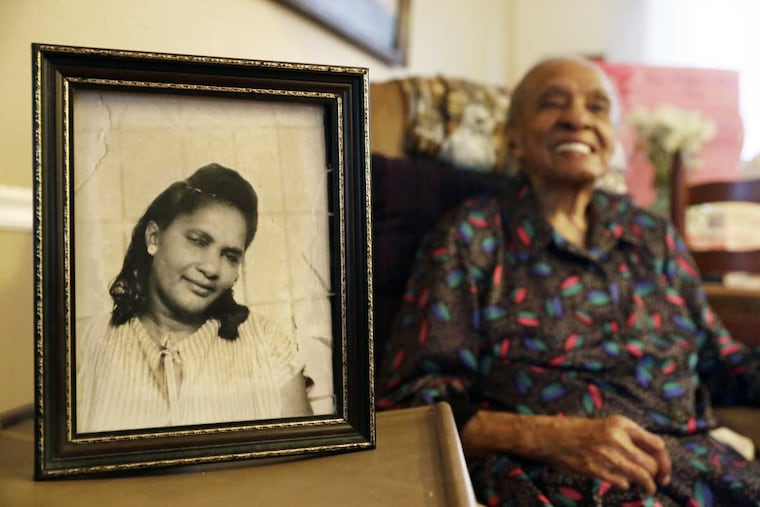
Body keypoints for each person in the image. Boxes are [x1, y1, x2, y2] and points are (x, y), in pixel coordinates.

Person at [377, 57, 760, 505]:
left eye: (597, 108)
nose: (577, 118)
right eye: (552, 103)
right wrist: (552, 437)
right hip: (563, 475)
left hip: (697, 467)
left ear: (611, 140)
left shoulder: (652, 236)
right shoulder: (473, 235)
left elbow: (721, 362)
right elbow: (415, 403)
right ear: (513, 139)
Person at [76, 163, 313, 433]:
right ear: (154, 236)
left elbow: (302, 465)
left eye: (230, 256)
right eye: (199, 241)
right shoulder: (84, 346)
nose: (211, 268)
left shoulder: (269, 346)